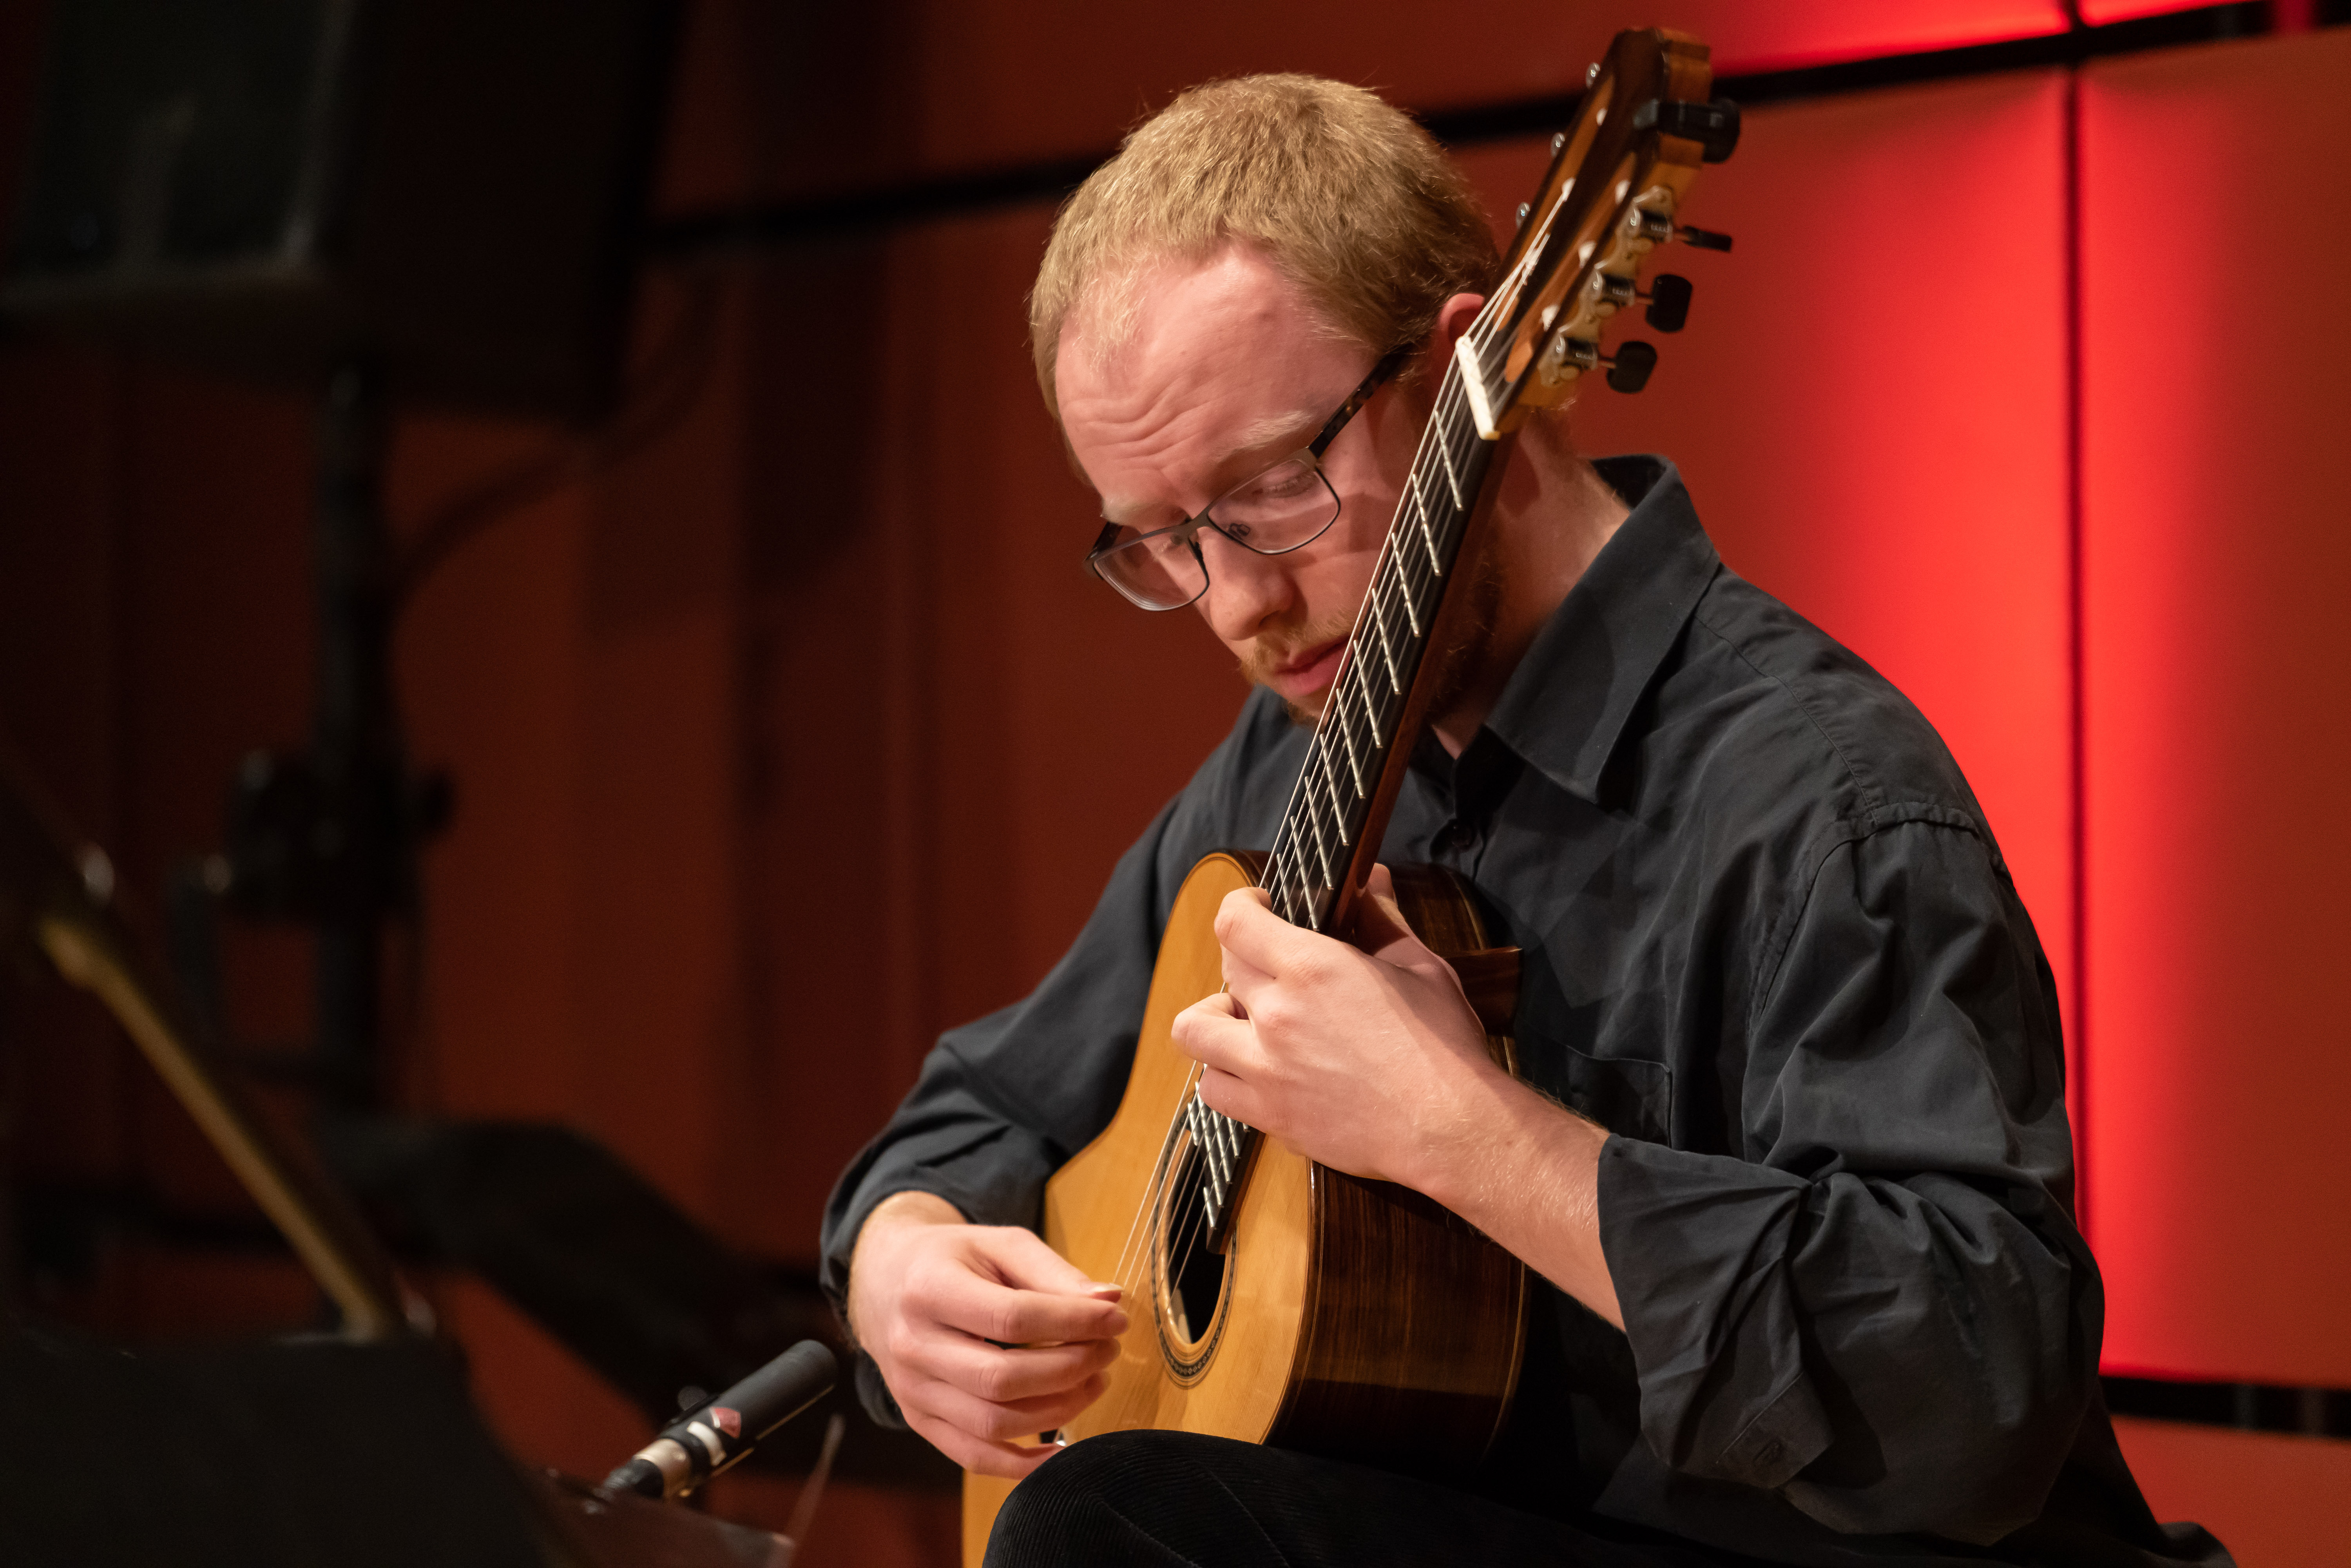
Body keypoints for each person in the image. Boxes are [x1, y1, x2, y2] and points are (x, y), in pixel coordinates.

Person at [818, 74, 2228, 1568]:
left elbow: (1974, 1390)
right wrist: (901, 1262)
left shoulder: (1820, 801)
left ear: (1454, 382)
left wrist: (1469, 1136)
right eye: (1160, 542)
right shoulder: (1296, 754)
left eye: (1271, 491)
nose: (1234, 603)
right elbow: (994, 1105)